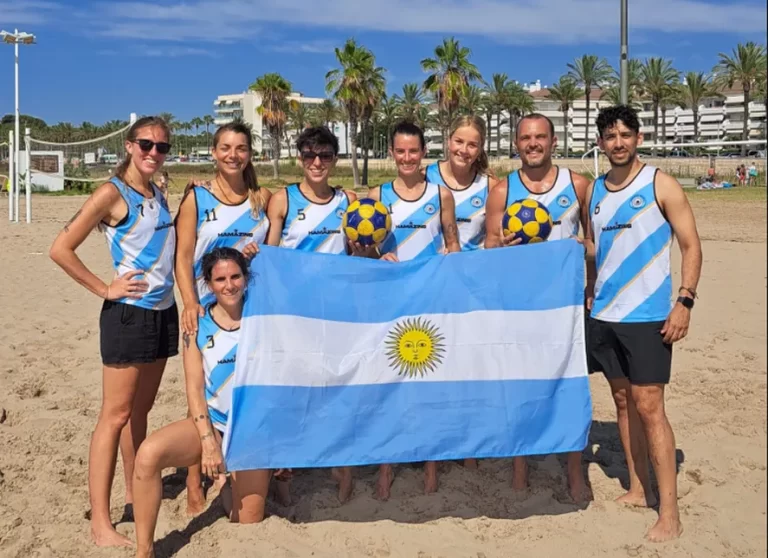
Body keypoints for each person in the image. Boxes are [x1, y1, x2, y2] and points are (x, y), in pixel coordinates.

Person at [49, 116, 177, 547]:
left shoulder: (157, 192)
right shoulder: (111, 193)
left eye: (162, 147)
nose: (153, 153)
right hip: (128, 315)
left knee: (139, 412)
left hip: (163, 311)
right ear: (129, 145)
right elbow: (60, 249)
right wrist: (105, 288)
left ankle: (133, 490)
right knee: (114, 416)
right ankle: (101, 523)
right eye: (146, 144)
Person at [582, 104, 702, 542]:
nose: (618, 143)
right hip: (604, 315)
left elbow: (691, 245)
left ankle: (669, 513)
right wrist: (581, 270)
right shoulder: (594, 191)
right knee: (621, 401)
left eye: (625, 135)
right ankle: (638, 487)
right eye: (610, 136)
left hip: (648, 316)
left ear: (638, 138)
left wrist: (684, 301)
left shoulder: (660, 183)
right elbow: (595, 247)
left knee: (650, 407)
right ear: (600, 143)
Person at [133, 248, 273, 558]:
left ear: (246, 277)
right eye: (220, 279)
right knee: (148, 455)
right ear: (208, 284)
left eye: (236, 276)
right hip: (216, 424)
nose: (229, 285)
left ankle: (229, 484)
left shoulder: (263, 317)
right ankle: (144, 550)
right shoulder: (196, 324)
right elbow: (194, 389)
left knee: (245, 520)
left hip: (252, 431)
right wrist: (208, 442)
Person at [485, 112, 591, 502]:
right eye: (526, 138)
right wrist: (501, 245)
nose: (533, 143)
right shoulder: (502, 190)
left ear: (553, 141)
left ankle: (575, 470)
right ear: (517, 144)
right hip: (520, 304)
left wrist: (585, 261)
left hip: (564, 306)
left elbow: (594, 244)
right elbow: (489, 247)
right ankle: (520, 466)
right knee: (520, 385)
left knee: (569, 385)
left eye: (540, 137)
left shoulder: (578, 185)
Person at [174, 121, 272, 514]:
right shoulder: (197, 198)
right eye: (226, 148)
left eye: (241, 148)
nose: (233, 155)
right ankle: (193, 480)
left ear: (250, 154)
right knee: (200, 389)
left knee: (244, 385)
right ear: (214, 152)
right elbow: (182, 256)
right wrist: (189, 302)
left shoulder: (262, 198)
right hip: (204, 307)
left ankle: (248, 468)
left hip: (249, 310)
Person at [265, 125, 361, 502]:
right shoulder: (283, 200)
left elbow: (357, 254)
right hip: (295, 314)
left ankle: (340, 465)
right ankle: (286, 469)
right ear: (300, 158)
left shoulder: (349, 200)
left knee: (336, 388)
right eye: (309, 155)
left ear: (335, 159)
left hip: (337, 312)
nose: (317, 162)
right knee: (294, 389)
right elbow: (271, 260)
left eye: (324, 155)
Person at [367, 120, 461, 499]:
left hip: (430, 302)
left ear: (424, 152)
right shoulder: (377, 195)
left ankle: (431, 463)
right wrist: (377, 257)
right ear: (392, 153)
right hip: (391, 302)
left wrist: (449, 259)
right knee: (389, 382)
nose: (407, 157)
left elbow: (454, 246)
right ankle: (387, 463)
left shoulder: (441, 195)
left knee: (429, 382)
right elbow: (364, 249)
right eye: (400, 151)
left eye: (413, 151)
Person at [425, 115, 492, 253]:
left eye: (472, 145)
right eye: (459, 141)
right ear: (448, 141)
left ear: (480, 148)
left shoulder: (490, 185)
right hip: (433, 264)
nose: (464, 150)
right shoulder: (425, 177)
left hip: (474, 264)